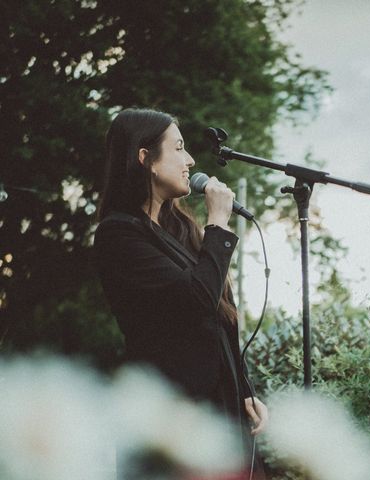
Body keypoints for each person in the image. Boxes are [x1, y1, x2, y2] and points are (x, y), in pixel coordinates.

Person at [94, 108, 267, 473]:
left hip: (219, 412)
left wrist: (246, 388)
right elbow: (196, 301)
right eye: (178, 148)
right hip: (170, 422)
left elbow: (222, 318)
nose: (190, 160)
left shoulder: (181, 231)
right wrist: (217, 222)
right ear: (146, 159)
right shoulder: (120, 234)